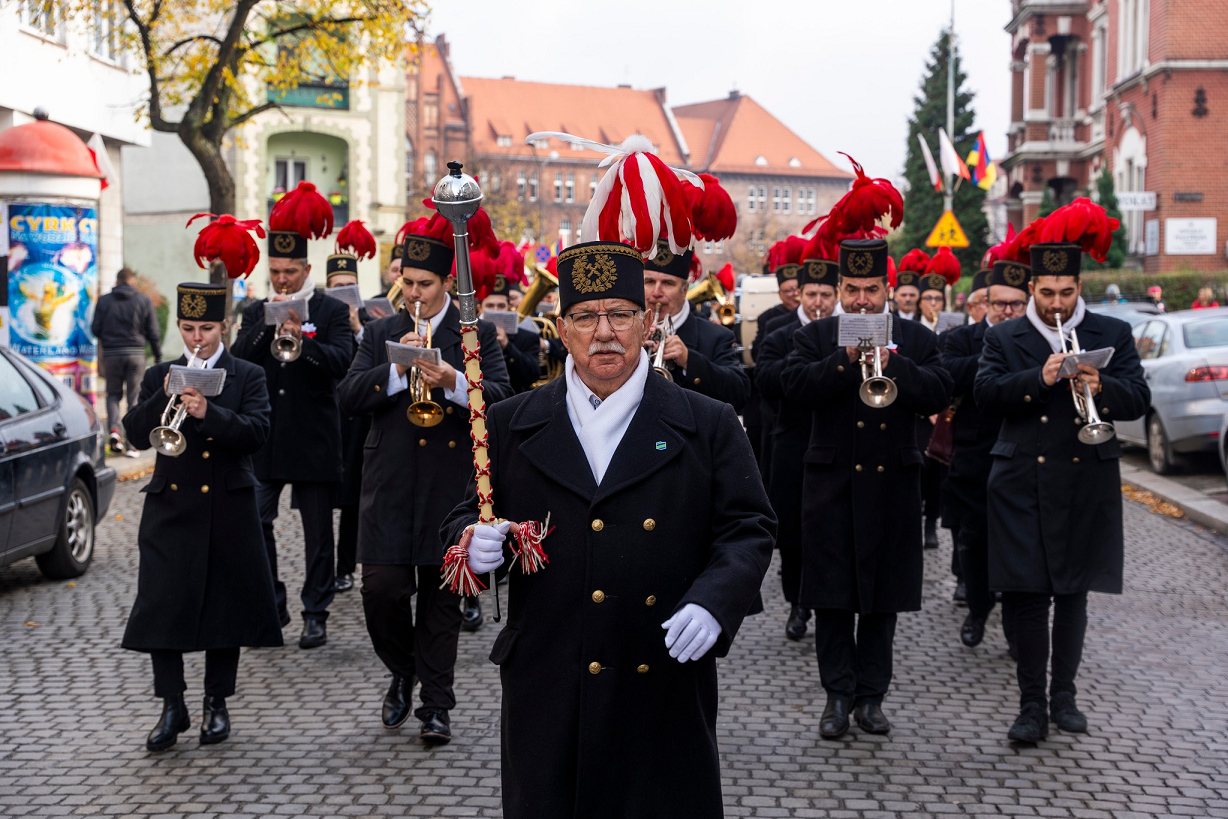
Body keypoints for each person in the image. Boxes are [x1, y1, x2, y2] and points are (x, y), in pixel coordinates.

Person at [443, 236, 775, 819]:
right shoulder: (510, 421)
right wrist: (474, 545)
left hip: (661, 674)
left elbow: (748, 528)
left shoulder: (708, 421)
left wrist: (714, 603)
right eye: (585, 317)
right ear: (560, 327)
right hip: (550, 677)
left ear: (648, 322)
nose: (604, 332)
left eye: (620, 315)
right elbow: (462, 516)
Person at [975, 206, 1149, 744]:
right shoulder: (1004, 338)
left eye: (1065, 293)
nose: (1055, 305)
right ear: (1032, 287)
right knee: (1028, 594)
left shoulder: (1112, 332)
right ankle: (1031, 705)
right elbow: (985, 395)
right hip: (1021, 480)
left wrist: (1102, 387)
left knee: (1074, 591)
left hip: (1083, 481)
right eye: (1046, 293)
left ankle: (1065, 696)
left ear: (1079, 287)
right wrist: (1039, 376)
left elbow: (1139, 400)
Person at [338, 220, 513, 744]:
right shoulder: (378, 332)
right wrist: (395, 372)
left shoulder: (474, 333)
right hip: (389, 484)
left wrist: (457, 382)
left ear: (445, 284)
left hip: (449, 484)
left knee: (442, 603)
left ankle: (436, 707)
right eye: (407, 283)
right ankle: (403, 668)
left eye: (424, 284)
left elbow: (503, 402)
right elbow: (347, 398)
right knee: (381, 592)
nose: (412, 293)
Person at [783, 236, 952, 739]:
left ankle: (871, 697)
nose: (861, 300)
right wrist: (844, 360)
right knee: (833, 597)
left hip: (893, 487)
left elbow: (940, 392)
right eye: (852, 289)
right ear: (838, 287)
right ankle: (836, 697)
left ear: (888, 288)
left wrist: (891, 362)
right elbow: (794, 389)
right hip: (831, 486)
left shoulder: (917, 339)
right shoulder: (818, 336)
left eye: (871, 290)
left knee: (883, 600)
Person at [121, 281, 281, 752]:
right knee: (160, 604)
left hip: (228, 506)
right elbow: (133, 435)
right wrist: (165, 394)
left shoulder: (247, 374)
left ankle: (217, 703)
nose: (198, 338)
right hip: (170, 506)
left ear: (224, 327)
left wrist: (209, 413)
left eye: (207, 328)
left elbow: (258, 433)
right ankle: (172, 705)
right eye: (189, 329)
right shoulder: (159, 374)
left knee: (224, 606)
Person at [231, 182, 355, 649]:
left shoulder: (330, 309)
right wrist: (269, 328)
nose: (281, 280)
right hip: (266, 438)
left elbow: (341, 363)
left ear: (306, 269)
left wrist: (303, 343)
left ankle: (315, 610)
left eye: (289, 272)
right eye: (275, 272)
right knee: (256, 522)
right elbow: (241, 358)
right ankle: (275, 599)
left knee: (317, 534)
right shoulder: (255, 310)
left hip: (315, 436)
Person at [942, 251, 1027, 649]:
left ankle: (1015, 629)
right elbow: (948, 377)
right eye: (1000, 304)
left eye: (1016, 305)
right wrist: (999, 351)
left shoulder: (1037, 341)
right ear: (984, 304)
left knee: (1018, 547)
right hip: (975, 459)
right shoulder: (961, 339)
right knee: (974, 545)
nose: (1008, 311)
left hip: (1023, 457)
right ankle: (978, 609)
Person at [756, 252, 838, 640]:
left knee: (828, 530)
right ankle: (797, 602)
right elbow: (767, 381)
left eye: (825, 294)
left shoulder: (847, 331)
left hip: (836, 445)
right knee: (792, 534)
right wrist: (804, 360)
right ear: (799, 294)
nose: (818, 302)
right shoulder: (778, 333)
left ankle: (826, 601)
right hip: (793, 446)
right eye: (811, 294)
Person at [324, 227, 377, 594]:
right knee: (322, 504)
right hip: (326, 422)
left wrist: (357, 327)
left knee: (353, 500)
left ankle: (345, 567)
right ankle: (325, 568)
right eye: (336, 285)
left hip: (356, 423)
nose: (342, 291)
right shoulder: (319, 321)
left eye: (348, 285)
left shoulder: (369, 326)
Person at [643, 238, 750, 411]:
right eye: (649, 282)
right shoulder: (623, 329)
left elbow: (739, 392)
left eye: (668, 283)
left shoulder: (717, 335)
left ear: (684, 290)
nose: (656, 292)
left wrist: (689, 361)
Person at [91, 267, 162, 456]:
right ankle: (132, 443)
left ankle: (114, 431)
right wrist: (158, 356)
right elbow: (153, 332)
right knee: (134, 397)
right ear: (133, 282)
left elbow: (95, 329)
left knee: (113, 394)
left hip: (112, 354)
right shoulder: (143, 301)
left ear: (116, 282)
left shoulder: (104, 301)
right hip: (136, 354)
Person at [892, 249, 929, 320]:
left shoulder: (925, 322)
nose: (908, 299)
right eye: (903, 295)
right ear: (895, 296)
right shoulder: (889, 320)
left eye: (912, 295)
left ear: (919, 297)